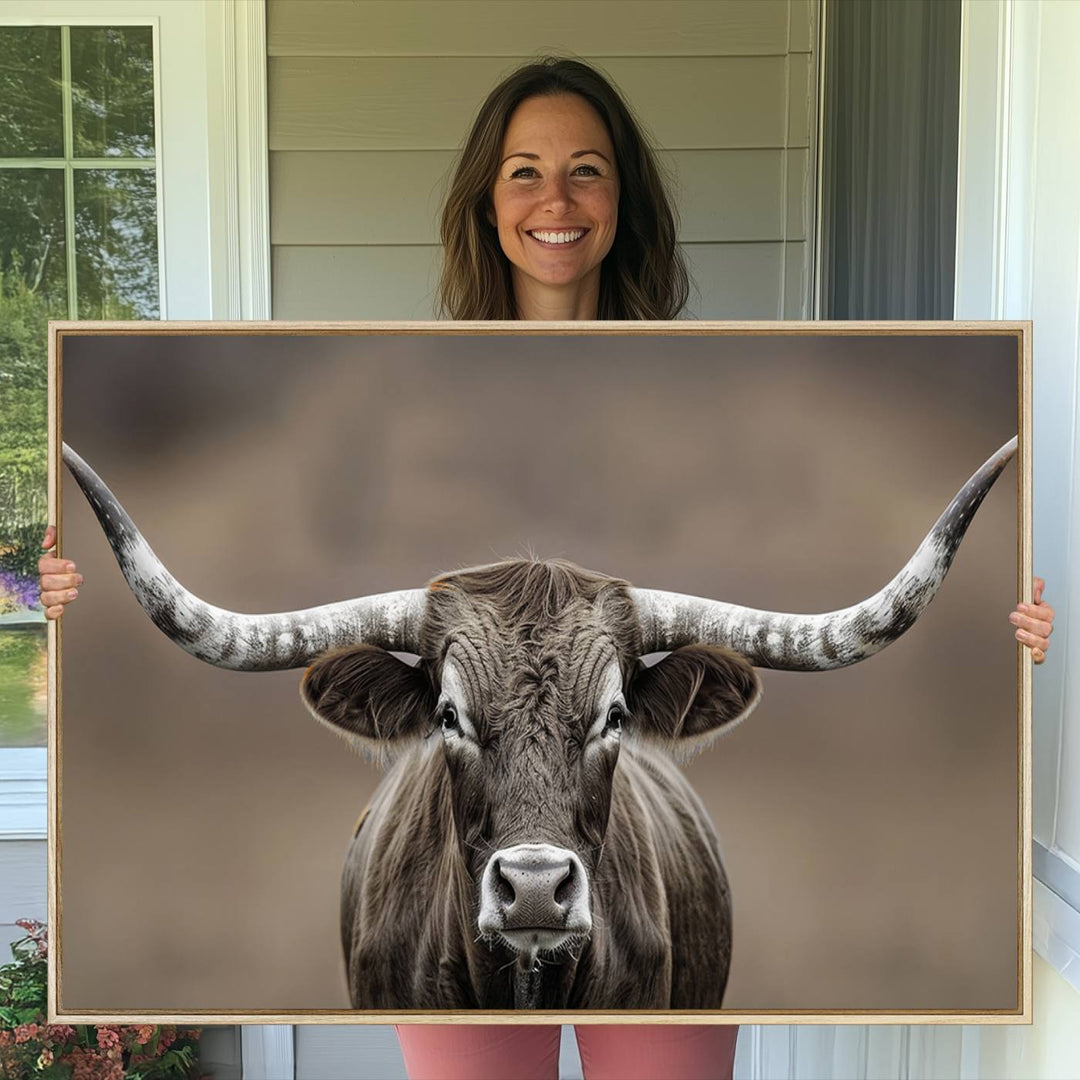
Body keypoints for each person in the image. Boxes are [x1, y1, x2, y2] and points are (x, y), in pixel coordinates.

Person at [38, 57, 1054, 1080]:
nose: (555, 201)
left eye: (587, 171)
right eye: (524, 171)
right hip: (438, 871)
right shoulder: (398, 391)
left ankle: (558, 723)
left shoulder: (715, 387)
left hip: (639, 872)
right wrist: (73, 586)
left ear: (625, 199)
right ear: (487, 201)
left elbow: (824, 558)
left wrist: (1010, 620)